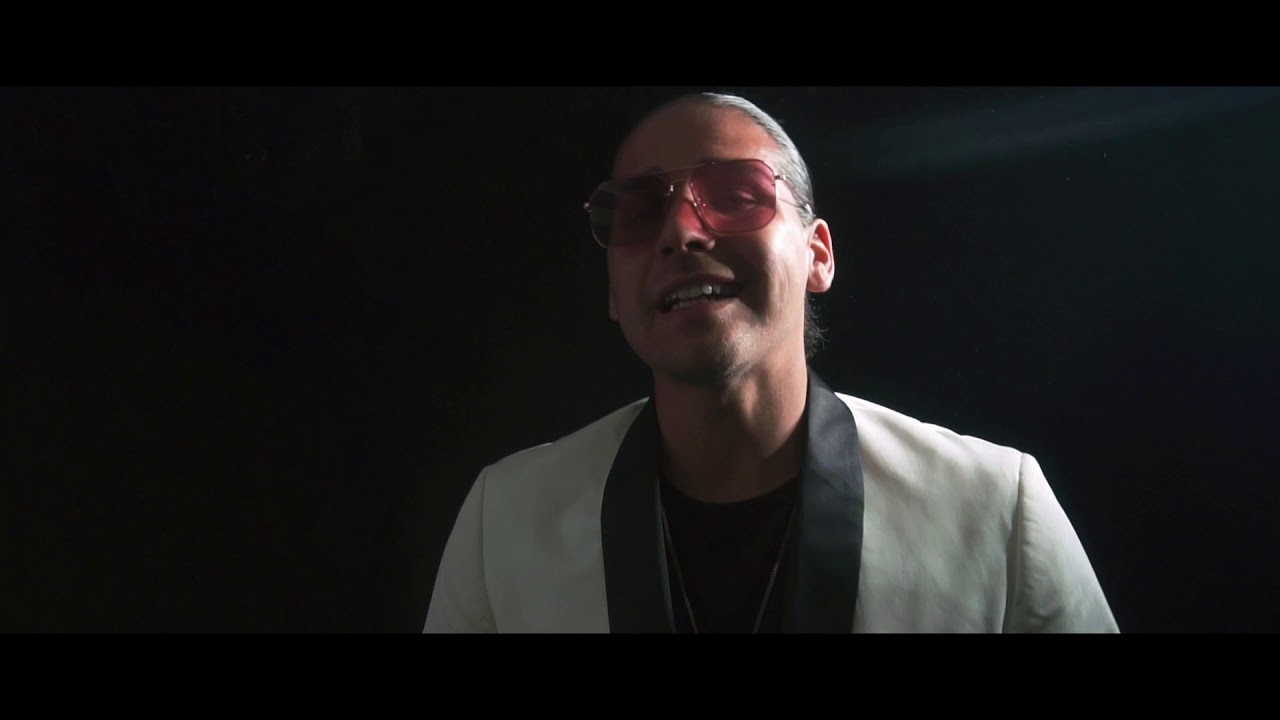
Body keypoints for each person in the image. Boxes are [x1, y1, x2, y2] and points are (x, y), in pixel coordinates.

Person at [423, 91, 1118, 633]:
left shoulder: (994, 509)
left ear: (818, 254)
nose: (682, 233)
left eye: (734, 197)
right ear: (613, 291)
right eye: (640, 213)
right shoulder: (505, 521)